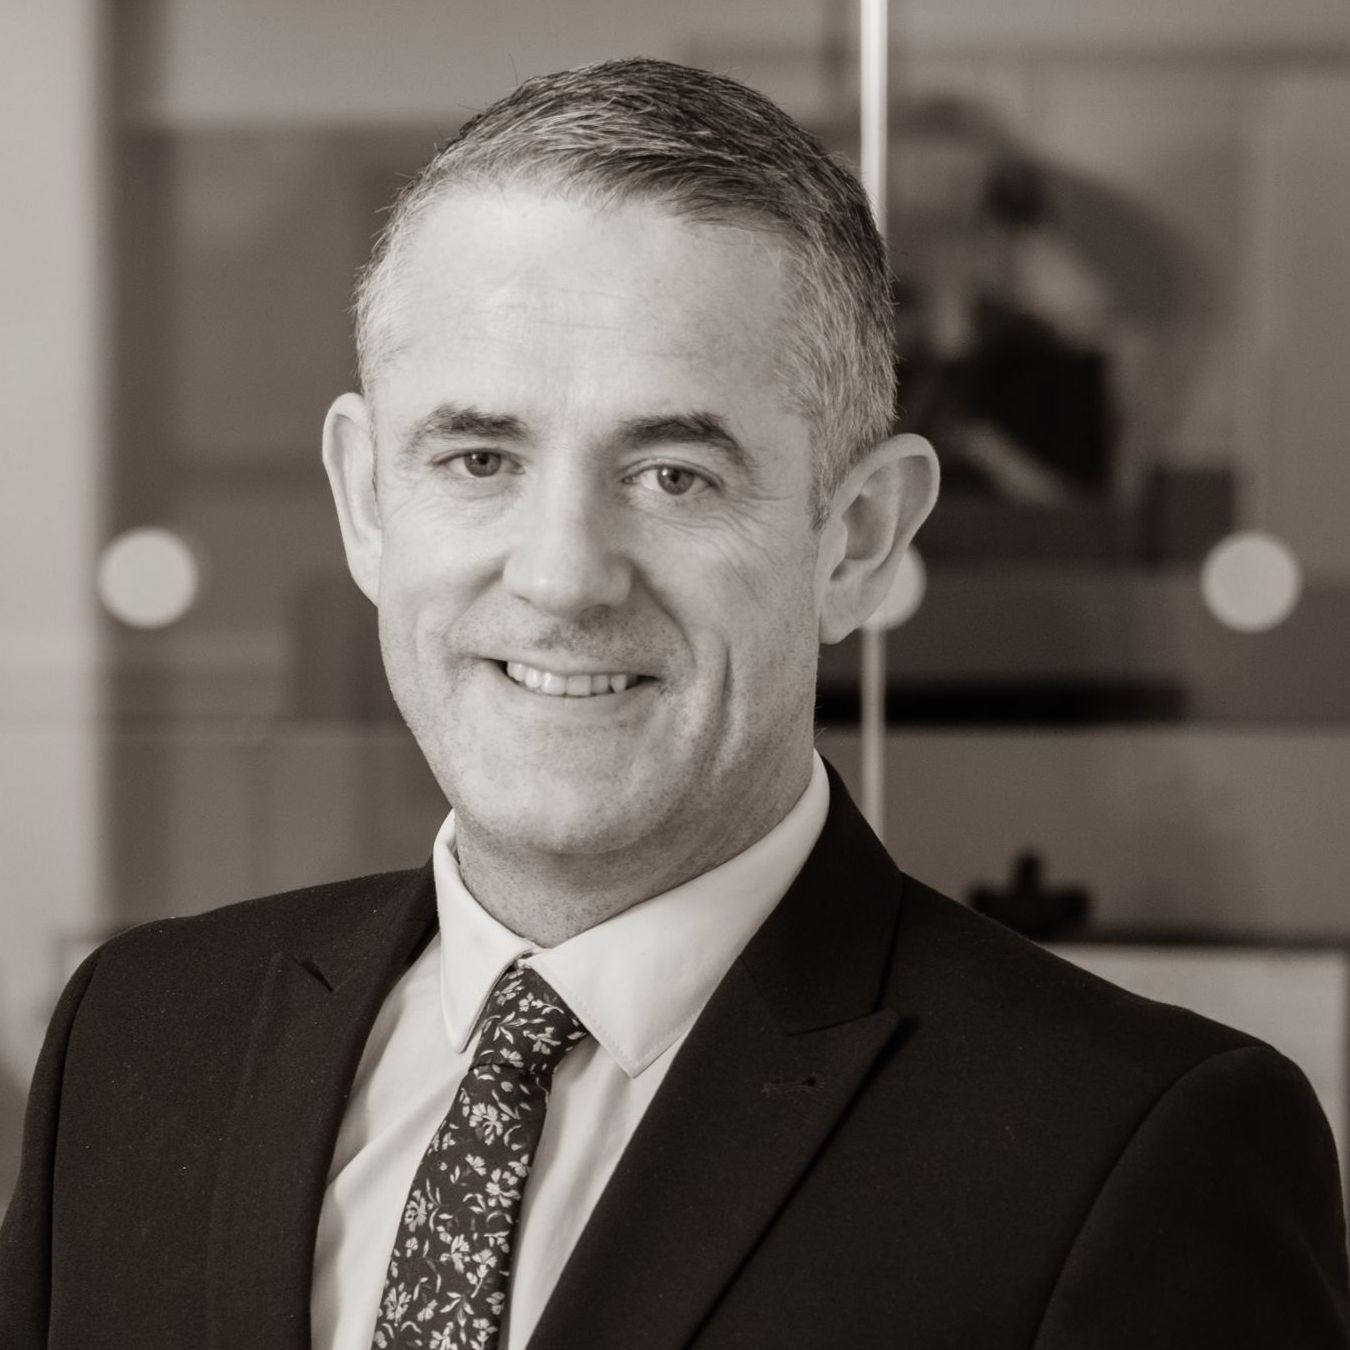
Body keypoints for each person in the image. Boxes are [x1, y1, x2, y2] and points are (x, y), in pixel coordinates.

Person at [2, 57, 1347, 1350]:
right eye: (478, 456)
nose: (559, 575)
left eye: (674, 475)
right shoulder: (140, 1038)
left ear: (861, 536)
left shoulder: (1128, 1152)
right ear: (364, 499)